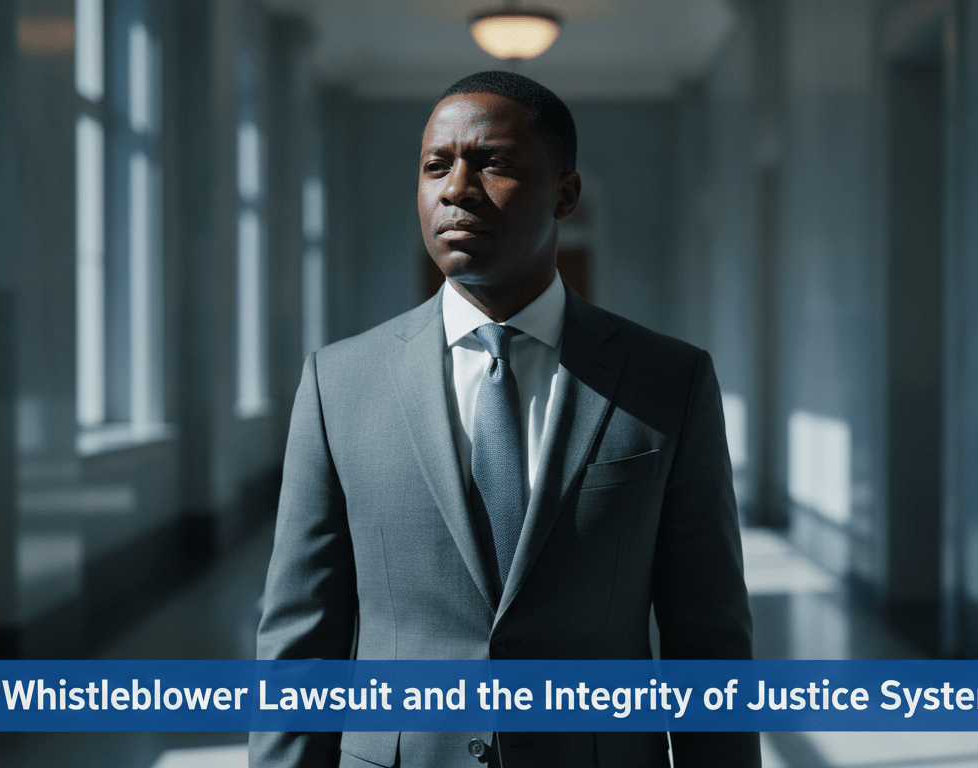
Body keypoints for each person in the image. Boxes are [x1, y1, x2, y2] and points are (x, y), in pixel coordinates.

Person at [250, 71, 758, 768]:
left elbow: (710, 641)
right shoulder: (337, 383)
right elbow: (299, 644)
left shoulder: (669, 381)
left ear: (565, 194)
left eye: (493, 163)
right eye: (436, 166)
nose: (456, 189)